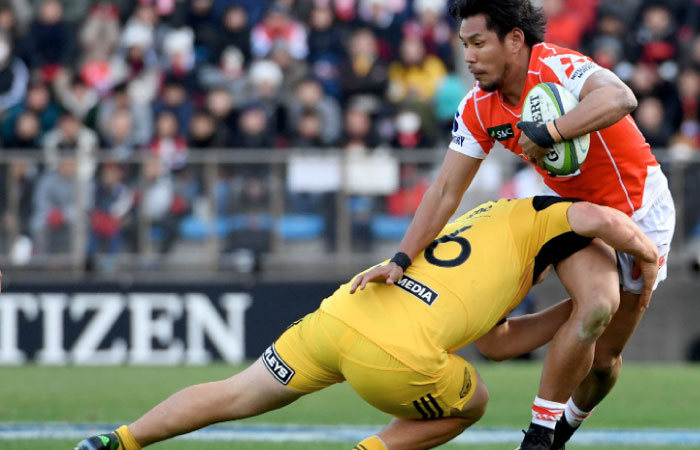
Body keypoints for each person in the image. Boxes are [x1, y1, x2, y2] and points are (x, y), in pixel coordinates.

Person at [74, 196, 659, 450]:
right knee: (473, 402)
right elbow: (596, 215)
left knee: (235, 392)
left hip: (340, 316)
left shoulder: (494, 227)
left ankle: (116, 441)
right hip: (396, 356)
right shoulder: (552, 217)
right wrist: (648, 259)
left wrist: (573, 310)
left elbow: (499, 342)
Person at [349, 1, 676, 449]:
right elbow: (445, 190)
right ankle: (540, 435)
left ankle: (565, 427)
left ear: (515, 41)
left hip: (643, 211)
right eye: (464, 45)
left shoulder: (557, 65)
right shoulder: (477, 107)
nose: (468, 56)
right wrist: (402, 258)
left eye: (479, 43)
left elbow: (620, 97)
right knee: (595, 306)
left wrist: (551, 131)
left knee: (604, 361)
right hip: (571, 214)